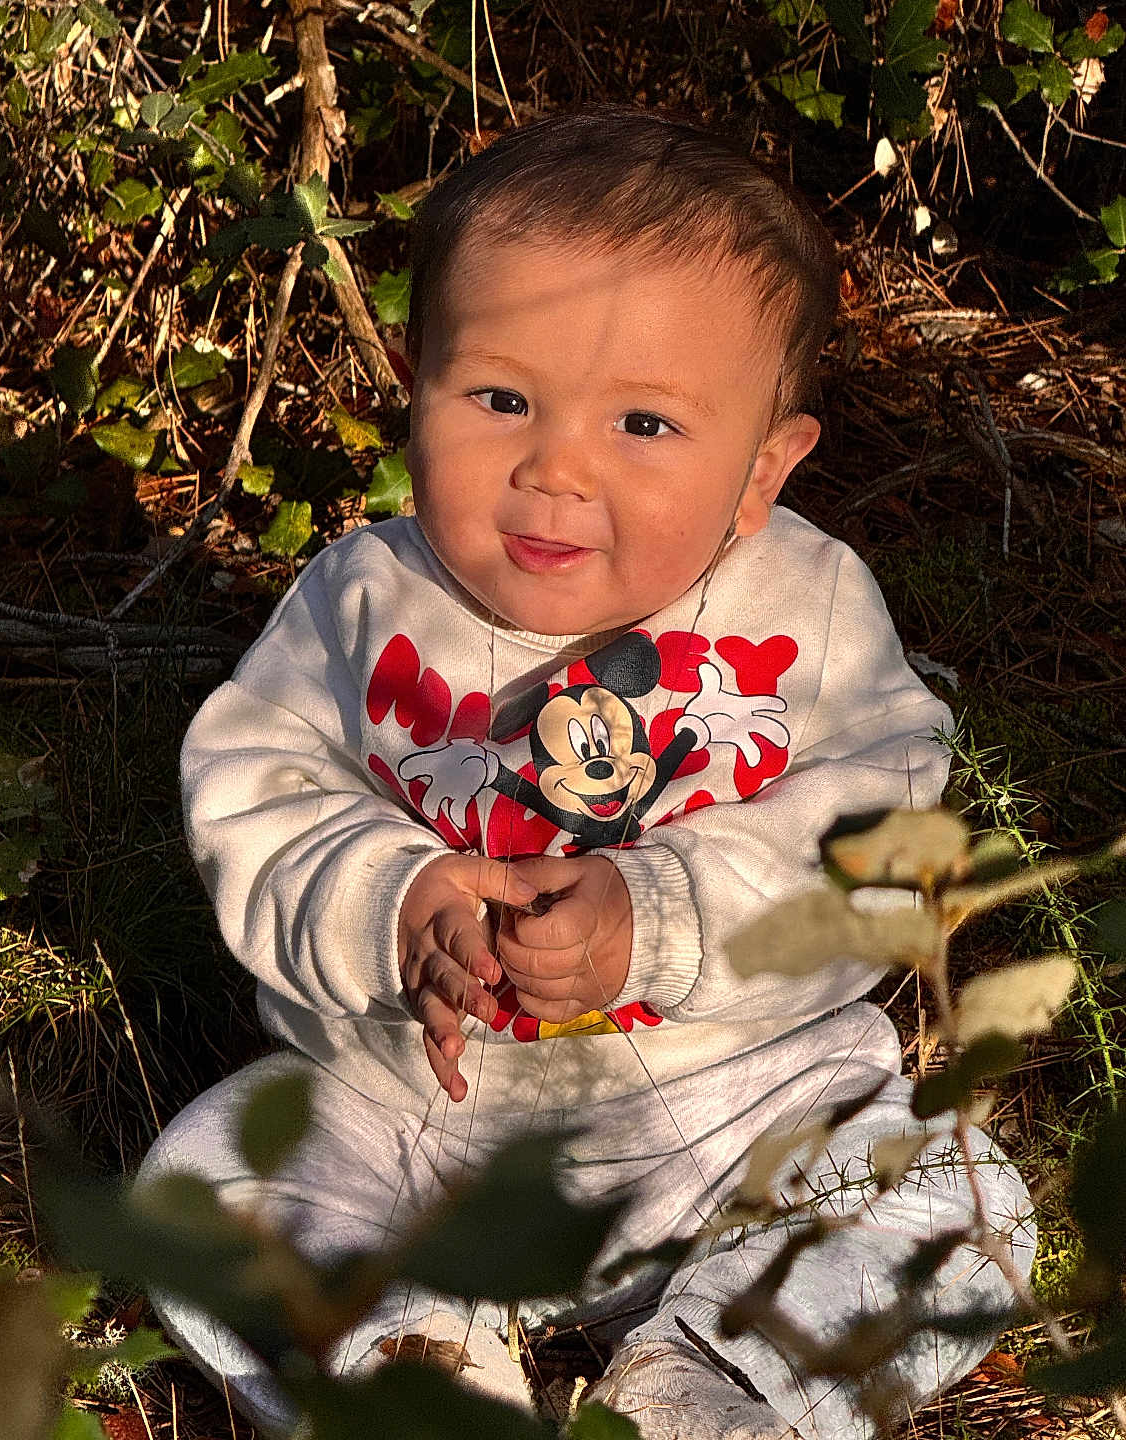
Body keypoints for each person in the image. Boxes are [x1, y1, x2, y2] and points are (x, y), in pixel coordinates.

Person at [136, 106, 1034, 1439]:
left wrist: (655, 916)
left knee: (960, 1203)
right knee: (204, 1188)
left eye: (646, 425)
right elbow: (255, 785)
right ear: (415, 378)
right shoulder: (361, 597)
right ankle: (422, 1362)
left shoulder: (811, 610)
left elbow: (873, 838)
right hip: (406, 1116)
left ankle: (713, 1380)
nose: (556, 467)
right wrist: (392, 896)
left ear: (761, 468)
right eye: (501, 399)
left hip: (736, 1113)